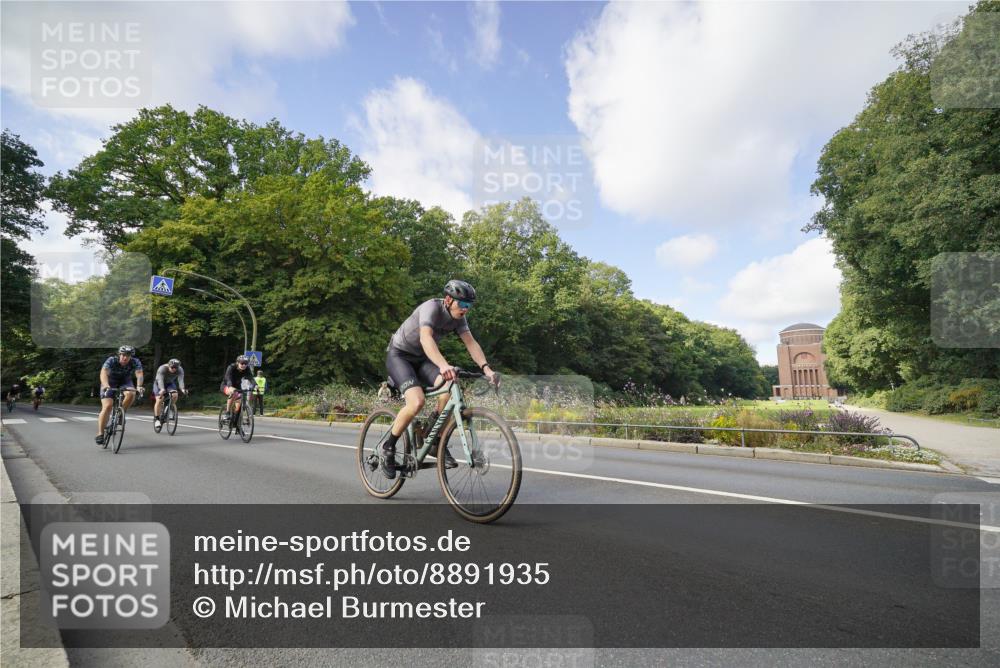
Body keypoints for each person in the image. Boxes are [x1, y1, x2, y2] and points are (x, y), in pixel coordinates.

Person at [381, 279, 498, 479]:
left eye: (469, 305)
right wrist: (444, 365)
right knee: (417, 401)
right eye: (462, 304)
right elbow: (425, 338)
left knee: (450, 386)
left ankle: (432, 438)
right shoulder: (431, 308)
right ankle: (388, 448)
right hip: (400, 355)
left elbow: (471, 343)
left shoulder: (460, 318)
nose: (465, 309)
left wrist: (486, 369)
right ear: (448, 300)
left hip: (422, 359)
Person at [96, 346, 144, 444]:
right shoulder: (112, 360)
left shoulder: (135, 361)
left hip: (125, 380)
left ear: (131, 356)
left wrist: (139, 386)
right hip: (110, 381)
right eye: (123, 355)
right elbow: (103, 372)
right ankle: (100, 433)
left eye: (128, 356)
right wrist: (105, 385)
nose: (125, 358)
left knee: (131, 393)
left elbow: (139, 373)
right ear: (119, 355)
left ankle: (121, 414)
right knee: (107, 406)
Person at [152, 358, 187, 429]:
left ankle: (169, 409)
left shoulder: (180, 370)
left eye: (176, 368)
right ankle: (157, 419)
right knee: (159, 399)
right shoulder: (162, 368)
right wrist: (162, 389)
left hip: (169, 383)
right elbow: (160, 379)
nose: (174, 369)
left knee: (175, 394)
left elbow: (180, 380)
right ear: (168, 365)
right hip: (159, 383)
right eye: (172, 367)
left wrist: (183, 389)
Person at [221, 355, 255, 423]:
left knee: (239, 403)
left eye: (246, 363)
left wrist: (255, 385)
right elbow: (228, 378)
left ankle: (237, 422)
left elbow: (251, 378)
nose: (244, 365)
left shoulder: (247, 369)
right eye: (242, 363)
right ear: (237, 362)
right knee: (233, 393)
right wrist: (230, 386)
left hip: (237, 386)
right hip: (226, 385)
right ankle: (227, 413)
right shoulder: (231, 367)